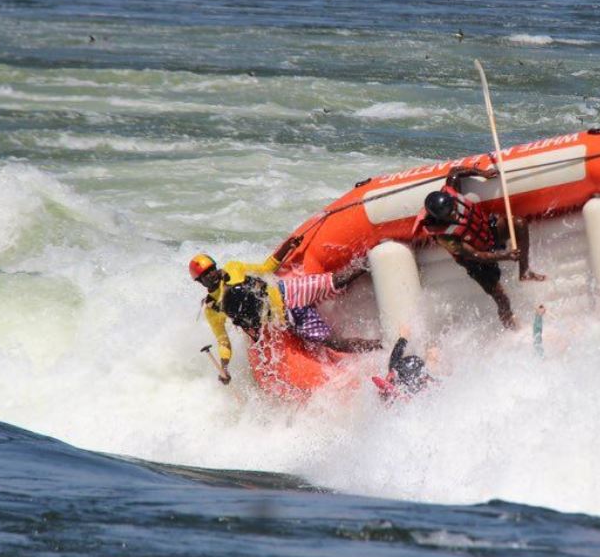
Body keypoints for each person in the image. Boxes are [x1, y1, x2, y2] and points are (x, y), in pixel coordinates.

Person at [189, 252, 380, 382]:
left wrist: (286, 249)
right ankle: (382, 345)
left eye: (212, 269)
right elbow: (223, 343)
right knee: (335, 343)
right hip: (288, 318)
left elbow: (265, 268)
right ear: (200, 282)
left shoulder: (233, 268)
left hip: (289, 292)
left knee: (338, 280)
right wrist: (225, 366)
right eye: (205, 275)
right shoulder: (212, 309)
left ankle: (374, 257)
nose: (212, 275)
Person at [413, 165, 544, 329]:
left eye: (454, 210)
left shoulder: (451, 194)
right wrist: (506, 255)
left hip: (488, 232)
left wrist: (483, 174)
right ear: (440, 218)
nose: (455, 215)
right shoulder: (445, 236)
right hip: (476, 261)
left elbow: (455, 172)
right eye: (450, 215)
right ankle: (511, 326)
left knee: (519, 223)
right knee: (501, 297)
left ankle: (524, 271)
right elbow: (476, 255)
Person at [371, 328, 434, 400]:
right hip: (418, 371)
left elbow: (403, 338)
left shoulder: (394, 366)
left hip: (417, 370)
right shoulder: (394, 367)